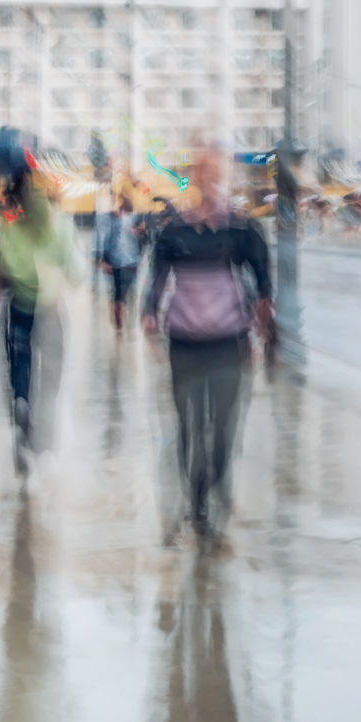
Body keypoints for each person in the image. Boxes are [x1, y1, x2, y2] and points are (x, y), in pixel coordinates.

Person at [142, 145, 273, 547]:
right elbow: (158, 279)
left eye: (214, 172)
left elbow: (263, 283)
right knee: (189, 425)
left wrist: (266, 326)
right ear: (193, 179)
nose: (208, 179)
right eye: (201, 172)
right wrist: (149, 313)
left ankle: (215, 483)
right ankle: (197, 503)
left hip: (229, 343)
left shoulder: (241, 230)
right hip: (184, 343)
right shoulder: (173, 231)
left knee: (222, 430)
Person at [0, 155, 84, 475]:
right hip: (50, 308)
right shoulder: (57, 222)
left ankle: (20, 403)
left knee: (19, 363)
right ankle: (42, 441)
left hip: (17, 305)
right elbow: (77, 272)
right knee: (51, 377)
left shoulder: (7, 222)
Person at [97, 194, 146, 331]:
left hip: (119, 260)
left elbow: (108, 239)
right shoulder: (134, 218)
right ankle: (121, 309)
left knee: (118, 290)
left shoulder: (120, 218)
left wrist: (105, 259)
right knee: (125, 290)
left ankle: (119, 309)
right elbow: (144, 240)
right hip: (130, 261)